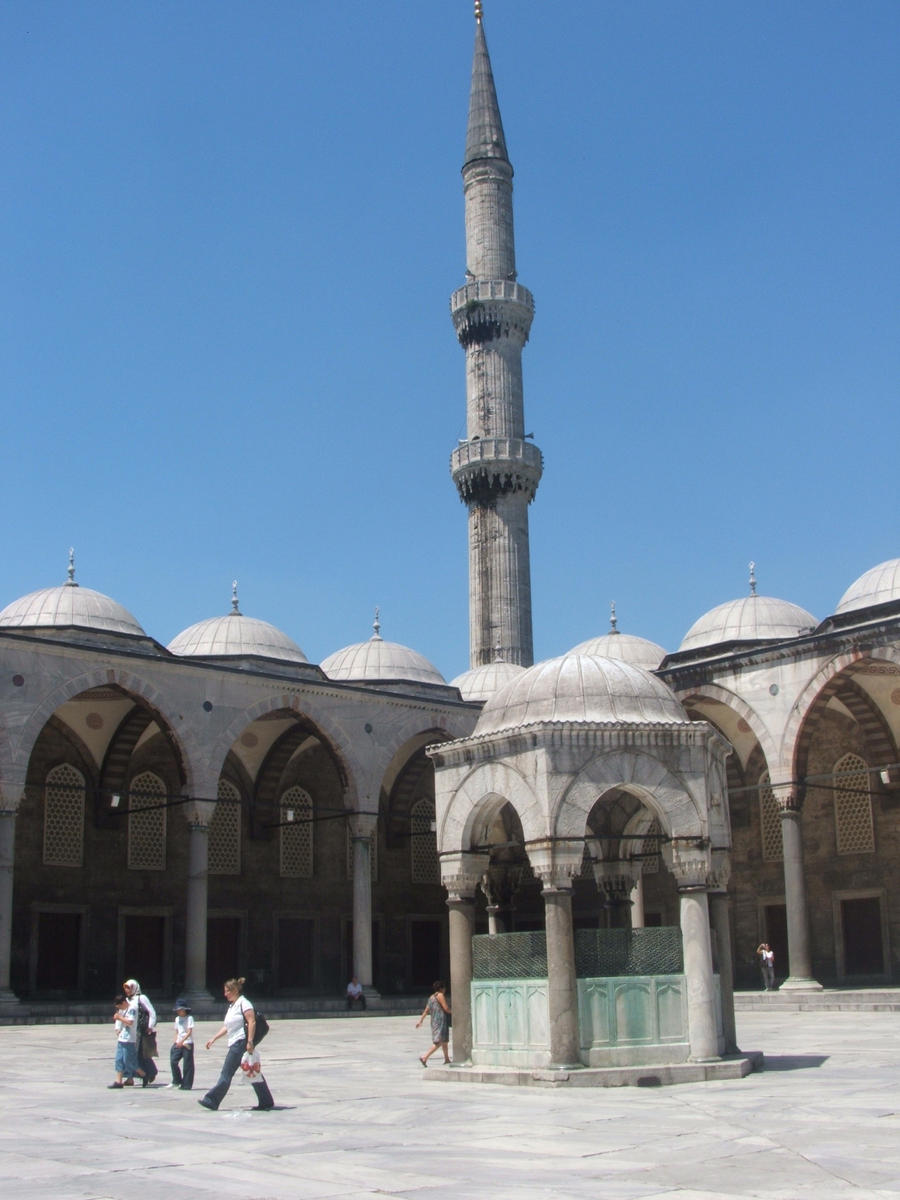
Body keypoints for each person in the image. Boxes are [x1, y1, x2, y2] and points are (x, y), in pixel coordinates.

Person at [199, 976, 274, 1111]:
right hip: (235, 1042)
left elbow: (252, 1021)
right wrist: (214, 1038)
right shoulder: (232, 1006)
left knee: (226, 1074)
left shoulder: (244, 1003)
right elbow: (228, 1026)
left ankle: (212, 1100)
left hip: (240, 1043)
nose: (225, 994)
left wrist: (250, 1042)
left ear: (234, 991)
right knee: (251, 1070)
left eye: (227, 991)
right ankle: (266, 1100)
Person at [123, 978, 158, 1086]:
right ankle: (130, 1077)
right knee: (129, 1053)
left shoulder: (141, 998)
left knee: (142, 1054)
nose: (127, 990)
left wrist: (150, 1026)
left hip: (141, 1030)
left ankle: (150, 1073)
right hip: (130, 1031)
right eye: (126, 988)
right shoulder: (128, 1000)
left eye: (129, 988)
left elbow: (151, 1012)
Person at [108, 993, 145, 1088]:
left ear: (124, 1002)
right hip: (122, 1038)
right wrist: (117, 1028)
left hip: (129, 1039)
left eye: (120, 1005)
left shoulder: (132, 1008)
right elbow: (119, 1020)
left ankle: (144, 1075)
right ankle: (119, 1081)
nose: (119, 1008)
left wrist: (119, 1018)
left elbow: (130, 1022)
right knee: (119, 1060)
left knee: (129, 1061)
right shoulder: (122, 1009)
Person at [416, 980, 451, 1066]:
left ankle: (447, 1059)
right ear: (441, 988)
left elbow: (426, 1010)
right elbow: (446, 1008)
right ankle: (425, 1057)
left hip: (434, 1021)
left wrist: (421, 1020)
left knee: (444, 1041)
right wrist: (454, 1012)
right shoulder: (440, 995)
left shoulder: (431, 997)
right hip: (441, 1021)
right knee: (438, 1042)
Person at [168, 998, 194, 1090]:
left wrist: (182, 1041)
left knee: (187, 1064)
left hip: (187, 1043)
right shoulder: (177, 1019)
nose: (178, 1011)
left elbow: (189, 1031)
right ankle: (176, 1080)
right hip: (178, 1043)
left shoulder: (189, 1018)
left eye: (180, 1010)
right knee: (173, 1061)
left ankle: (186, 1084)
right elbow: (176, 1031)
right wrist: (176, 1042)